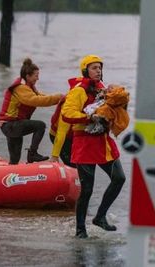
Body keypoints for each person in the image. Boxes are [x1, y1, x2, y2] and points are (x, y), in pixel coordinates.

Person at [61, 54, 127, 238]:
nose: (98, 71)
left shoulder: (104, 89)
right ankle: (80, 230)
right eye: (94, 68)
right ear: (85, 71)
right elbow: (67, 114)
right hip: (84, 144)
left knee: (119, 178)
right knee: (87, 189)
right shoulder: (78, 91)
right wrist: (89, 116)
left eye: (100, 68)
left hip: (103, 143)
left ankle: (100, 217)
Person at [0, 58, 62, 164]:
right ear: (28, 76)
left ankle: (11, 172)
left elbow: (41, 96)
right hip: (10, 125)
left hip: (12, 125)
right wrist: (57, 97)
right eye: (36, 75)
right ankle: (32, 154)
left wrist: (60, 98)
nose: (38, 78)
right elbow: (36, 100)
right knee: (40, 125)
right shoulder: (21, 88)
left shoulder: (28, 86)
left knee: (14, 159)